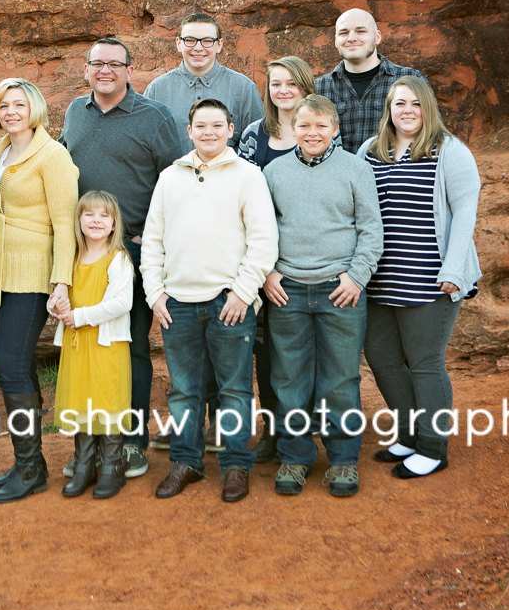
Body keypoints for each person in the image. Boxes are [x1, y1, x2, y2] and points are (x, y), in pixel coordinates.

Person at [59, 37, 187, 479]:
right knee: (85, 346)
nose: (106, 70)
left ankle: (130, 443)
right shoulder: (76, 112)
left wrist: (157, 247)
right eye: (98, 63)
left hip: (131, 252)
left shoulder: (155, 118)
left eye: (116, 64)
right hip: (82, 255)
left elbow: (177, 182)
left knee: (128, 348)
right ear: (87, 68)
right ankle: (91, 443)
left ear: (130, 71)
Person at [141, 99, 277, 504]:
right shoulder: (170, 177)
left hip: (228, 302)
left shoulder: (248, 176)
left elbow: (263, 241)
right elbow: (152, 241)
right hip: (176, 303)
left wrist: (243, 292)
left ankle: (236, 466)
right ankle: (187, 462)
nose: (209, 132)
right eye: (201, 125)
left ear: (231, 130)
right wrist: (155, 293)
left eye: (217, 125)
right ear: (189, 131)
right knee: (184, 391)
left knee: (234, 390)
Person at [359, 76, 481, 480]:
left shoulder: (448, 150)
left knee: (425, 363)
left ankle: (433, 447)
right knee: (383, 358)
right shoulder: (369, 152)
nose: (407, 110)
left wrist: (453, 270)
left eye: (415, 103)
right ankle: (409, 436)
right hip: (380, 278)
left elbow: (464, 212)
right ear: (389, 110)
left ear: (428, 108)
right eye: (399, 104)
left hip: (431, 277)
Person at [262, 95, 383, 498]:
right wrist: (268, 273)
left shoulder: (355, 169)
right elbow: (262, 230)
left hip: (341, 289)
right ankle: (295, 458)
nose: (312, 133)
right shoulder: (274, 171)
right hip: (288, 290)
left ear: (335, 130)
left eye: (320, 127)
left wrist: (357, 277)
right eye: (304, 126)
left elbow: (371, 230)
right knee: (289, 377)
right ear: (292, 129)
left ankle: (344, 461)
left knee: (340, 378)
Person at [0, 78, 79, 504]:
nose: (11, 111)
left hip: (32, 275)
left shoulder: (53, 156)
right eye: (4, 105)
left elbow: (64, 223)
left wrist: (61, 283)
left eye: (19, 104)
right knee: (15, 366)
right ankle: (27, 463)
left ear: (34, 107)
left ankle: (31, 466)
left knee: (12, 365)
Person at [237, 55, 318, 462]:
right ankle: (273, 431)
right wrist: (264, 268)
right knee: (266, 351)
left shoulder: (319, 132)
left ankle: (307, 429)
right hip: (262, 264)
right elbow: (241, 200)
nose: (283, 90)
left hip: (310, 261)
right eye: (275, 83)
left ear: (306, 87)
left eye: (292, 83)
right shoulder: (254, 136)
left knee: (306, 351)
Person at [50, 191, 134, 500]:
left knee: (107, 401)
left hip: (105, 344)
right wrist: (56, 307)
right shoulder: (71, 258)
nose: (96, 220)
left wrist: (79, 315)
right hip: (76, 343)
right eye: (89, 214)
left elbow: (121, 302)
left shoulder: (119, 259)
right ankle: (84, 465)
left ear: (114, 224)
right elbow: (58, 298)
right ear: (79, 220)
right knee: (82, 401)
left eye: (103, 216)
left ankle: (112, 467)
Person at [143, 11, 263, 148]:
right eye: (190, 40)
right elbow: (146, 144)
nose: (198, 48)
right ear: (178, 43)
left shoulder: (243, 88)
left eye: (207, 41)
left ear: (219, 45)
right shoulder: (157, 90)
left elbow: (256, 146)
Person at [315, 8, 427, 154]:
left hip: (391, 173)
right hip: (337, 175)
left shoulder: (410, 80)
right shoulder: (319, 88)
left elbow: (432, 131)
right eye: (344, 33)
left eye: (361, 31)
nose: (351, 38)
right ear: (336, 41)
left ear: (377, 37)